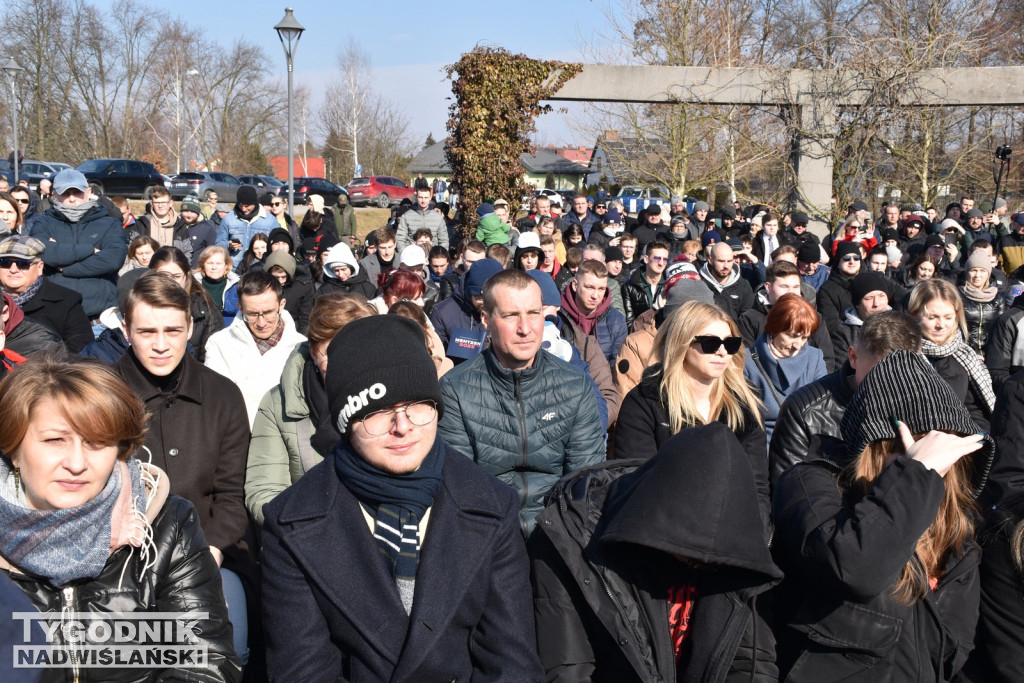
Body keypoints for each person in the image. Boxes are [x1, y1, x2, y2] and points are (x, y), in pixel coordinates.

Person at [261, 314, 542, 679]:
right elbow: (303, 670)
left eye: (419, 405)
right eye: (379, 412)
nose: (403, 426)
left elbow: (511, 663)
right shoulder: (291, 522)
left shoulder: (492, 505)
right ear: (347, 423)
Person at [0, 355, 239, 681]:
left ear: (120, 450)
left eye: (97, 442)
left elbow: (202, 661)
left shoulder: (166, 523)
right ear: (14, 449)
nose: (76, 462)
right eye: (55, 440)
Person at [772, 349, 992, 682]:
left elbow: (952, 652)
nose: (941, 465)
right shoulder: (812, 485)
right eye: (920, 447)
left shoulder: (956, 529)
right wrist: (917, 471)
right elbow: (856, 568)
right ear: (877, 447)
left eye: (945, 449)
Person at [530, 423, 783, 681]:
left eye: (712, 561)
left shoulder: (744, 550)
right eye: (692, 555)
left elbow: (750, 662)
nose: (700, 566)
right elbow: (569, 668)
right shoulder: (569, 539)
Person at [113, 273, 252, 669]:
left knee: (222, 650)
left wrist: (206, 557)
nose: (161, 345)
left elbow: (232, 493)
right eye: (147, 331)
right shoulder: (103, 392)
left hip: (208, 551)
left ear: (190, 327)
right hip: (120, 558)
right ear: (126, 329)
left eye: (173, 330)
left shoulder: (222, 394)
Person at [438, 269, 606, 534]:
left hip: (559, 531)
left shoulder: (575, 384)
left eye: (533, 313)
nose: (525, 329)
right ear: (486, 319)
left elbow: (584, 482)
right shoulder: (455, 389)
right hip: (489, 531)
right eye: (510, 315)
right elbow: (461, 487)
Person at [614, 301, 770, 531]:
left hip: (733, 534)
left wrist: (756, 537)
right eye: (710, 343)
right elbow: (637, 483)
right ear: (681, 343)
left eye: (731, 343)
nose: (722, 351)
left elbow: (756, 487)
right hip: (662, 533)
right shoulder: (645, 401)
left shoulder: (744, 405)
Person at [245, 294, 377, 525]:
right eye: (331, 351)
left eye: (355, 350)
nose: (344, 362)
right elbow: (265, 491)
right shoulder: (278, 405)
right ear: (314, 352)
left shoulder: (393, 398)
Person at [769, 310, 923, 487]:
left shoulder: (929, 406)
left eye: (904, 375)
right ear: (853, 357)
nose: (892, 386)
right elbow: (789, 492)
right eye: (880, 376)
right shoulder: (803, 409)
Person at [204, 270, 307, 426]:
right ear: (240, 307)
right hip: (238, 436)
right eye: (252, 314)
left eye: (268, 313)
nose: (261, 323)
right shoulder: (219, 344)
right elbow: (215, 401)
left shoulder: (301, 346)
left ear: (281, 305)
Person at [28, 169, 127, 320]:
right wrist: (89, 250)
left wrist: (66, 268)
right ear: (54, 194)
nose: (72, 199)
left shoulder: (110, 223)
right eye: (66, 193)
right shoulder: (43, 222)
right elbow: (43, 251)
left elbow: (112, 259)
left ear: (88, 192)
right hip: (54, 315)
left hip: (100, 318)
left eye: (77, 192)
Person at [909, 278, 996, 429]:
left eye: (948, 317)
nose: (941, 325)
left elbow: (975, 410)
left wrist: (976, 437)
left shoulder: (965, 357)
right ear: (914, 315)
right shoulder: (900, 356)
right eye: (932, 317)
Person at [743, 294, 827, 443]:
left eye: (804, 338)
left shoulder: (815, 359)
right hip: (762, 449)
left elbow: (822, 414)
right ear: (774, 328)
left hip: (805, 447)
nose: (798, 345)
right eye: (791, 336)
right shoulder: (746, 362)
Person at [0, 235, 93, 353]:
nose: (13, 270)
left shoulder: (67, 301)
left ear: (40, 268)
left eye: (22, 264)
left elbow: (81, 350)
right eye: (5, 262)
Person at [739, 260, 836, 371]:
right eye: (784, 286)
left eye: (795, 287)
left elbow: (827, 359)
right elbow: (745, 361)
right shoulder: (750, 319)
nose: (791, 292)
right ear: (768, 287)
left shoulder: (813, 318)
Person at [149, 246, 224, 362]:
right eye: (163, 276)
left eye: (177, 276)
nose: (171, 282)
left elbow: (214, 358)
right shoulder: (142, 306)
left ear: (186, 276)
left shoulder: (206, 309)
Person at [215, 185, 278, 268]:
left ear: (254, 203)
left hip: (261, 269)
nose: (243, 209)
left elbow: (276, 245)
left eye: (247, 206)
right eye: (241, 205)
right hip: (234, 269)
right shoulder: (228, 219)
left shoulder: (270, 220)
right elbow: (218, 245)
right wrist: (229, 245)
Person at [130, 186, 192, 264]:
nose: (160, 206)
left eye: (163, 202)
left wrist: (181, 268)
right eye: (157, 202)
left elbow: (188, 252)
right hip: (147, 272)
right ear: (151, 203)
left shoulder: (180, 225)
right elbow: (132, 249)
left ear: (170, 203)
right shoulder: (142, 224)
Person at [960, 249, 1003, 358]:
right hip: (964, 353)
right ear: (967, 272)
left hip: (991, 354)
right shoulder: (957, 295)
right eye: (973, 270)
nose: (977, 275)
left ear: (988, 273)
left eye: (982, 271)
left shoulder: (998, 298)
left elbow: (1000, 331)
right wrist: (971, 353)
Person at [699, 241, 755, 321]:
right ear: (710, 260)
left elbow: (747, 321)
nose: (726, 266)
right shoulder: (698, 284)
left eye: (729, 261)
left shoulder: (743, 286)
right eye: (721, 261)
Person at [264, 249, 314, 334]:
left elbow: (305, 318)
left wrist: (302, 340)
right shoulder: (262, 285)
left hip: (293, 329)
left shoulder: (303, 286)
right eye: (276, 277)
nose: (280, 281)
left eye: (283, 277)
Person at [622, 240, 669, 325]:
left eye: (665, 259)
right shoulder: (629, 286)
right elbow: (629, 322)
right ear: (646, 259)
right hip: (638, 335)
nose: (661, 263)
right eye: (657, 258)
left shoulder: (670, 286)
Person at [196, 245, 240, 327]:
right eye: (210, 263)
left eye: (218, 263)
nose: (214, 267)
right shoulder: (193, 285)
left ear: (226, 266)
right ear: (203, 265)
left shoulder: (237, 286)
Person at [397, 187, 449, 252]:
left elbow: (444, 241)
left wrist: (439, 256)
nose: (423, 201)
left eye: (426, 198)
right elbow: (400, 239)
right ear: (416, 197)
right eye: (420, 197)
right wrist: (406, 255)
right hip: (412, 256)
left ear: (430, 197)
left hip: (432, 257)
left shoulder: (438, 218)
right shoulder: (406, 216)